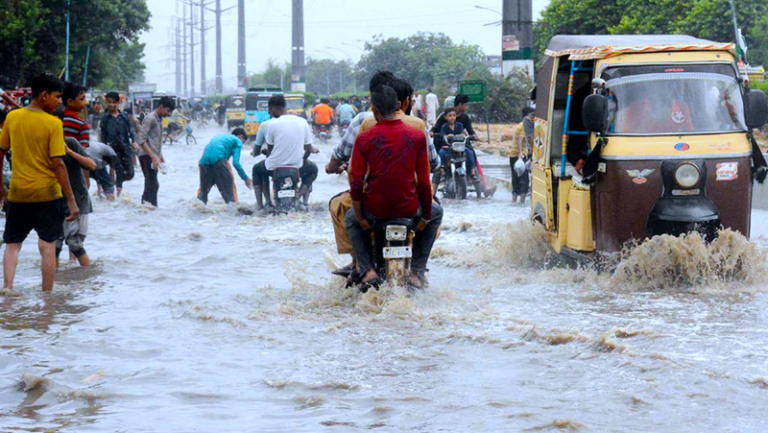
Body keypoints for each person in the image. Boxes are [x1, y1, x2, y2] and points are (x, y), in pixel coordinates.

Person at [326, 72, 440, 278]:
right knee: (437, 213)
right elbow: (424, 180)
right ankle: (417, 271)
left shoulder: (364, 134)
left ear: (374, 108)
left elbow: (356, 179)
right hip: (410, 205)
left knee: (351, 218)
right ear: (401, 104)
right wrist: (426, 216)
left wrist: (360, 215)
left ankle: (365, 268)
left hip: (374, 208)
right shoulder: (417, 133)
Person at [0, 73, 80, 292]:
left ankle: (7, 287)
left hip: (18, 193)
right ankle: (47, 295)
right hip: (47, 194)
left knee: (13, 244)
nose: (59, 102)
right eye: (57, 96)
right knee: (47, 245)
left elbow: (0, 152)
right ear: (44, 96)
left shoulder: (13, 118)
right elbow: (58, 164)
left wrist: (1, 186)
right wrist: (71, 200)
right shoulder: (53, 124)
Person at [251, 94, 319, 210]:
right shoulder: (302, 122)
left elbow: (270, 151)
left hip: (274, 167)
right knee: (313, 169)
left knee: (256, 169)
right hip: (297, 166)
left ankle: (262, 205)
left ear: (272, 109)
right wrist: (303, 159)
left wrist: (267, 156)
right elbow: (308, 148)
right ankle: (299, 196)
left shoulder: (272, 124)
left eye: (269, 110)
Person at [431, 94, 496, 197]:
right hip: (445, 145)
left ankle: (483, 188)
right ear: (460, 105)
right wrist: (438, 135)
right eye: (466, 105)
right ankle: (432, 195)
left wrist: (474, 136)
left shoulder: (464, 119)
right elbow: (434, 130)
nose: (452, 117)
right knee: (439, 165)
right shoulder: (443, 118)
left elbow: (470, 131)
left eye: (454, 116)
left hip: (461, 145)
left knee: (472, 157)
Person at [56, 137, 97, 267]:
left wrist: (69, 151)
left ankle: (85, 279)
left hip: (78, 199)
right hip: (55, 200)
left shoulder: (70, 143)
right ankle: (55, 282)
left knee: (75, 244)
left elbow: (91, 165)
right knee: (54, 244)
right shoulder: (41, 143)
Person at [136, 96, 175, 207]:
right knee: (151, 183)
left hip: (153, 156)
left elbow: (155, 142)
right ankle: (147, 207)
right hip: (146, 155)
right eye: (168, 111)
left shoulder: (159, 120)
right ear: (161, 107)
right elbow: (141, 139)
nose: (169, 114)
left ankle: (150, 208)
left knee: (152, 183)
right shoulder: (150, 118)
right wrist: (153, 156)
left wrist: (161, 158)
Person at [198, 128, 253, 204]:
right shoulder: (237, 141)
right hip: (219, 160)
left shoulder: (220, 137)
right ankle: (234, 210)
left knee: (203, 192)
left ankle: (197, 209)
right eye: (243, 142)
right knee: (230, 195)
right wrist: (245, 178)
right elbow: (236, 163)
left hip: (203, 162)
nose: (242, 144)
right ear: (240, 137)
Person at [100, 92, 136, 197]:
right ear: (106, 103)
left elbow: (131, 129)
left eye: (114, 102)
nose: (111, 105)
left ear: (118, 103)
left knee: (130, 174)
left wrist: (134, 141)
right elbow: (103, 135)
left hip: (126, 147)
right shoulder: (105, 118)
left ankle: (116, 182)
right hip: (112, 149)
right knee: (119, 170)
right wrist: (103, 149)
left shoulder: (124, 116)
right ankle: (118, 196)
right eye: (109, 102)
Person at [509, 107, 534, 204]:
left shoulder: (520, 125)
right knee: (524, 180)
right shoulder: (524, 125)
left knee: (515, 179)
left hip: (513, 155)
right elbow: (521, 139)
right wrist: (520, 153)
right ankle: (522, 203)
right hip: (520, 156)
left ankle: (514, 201)